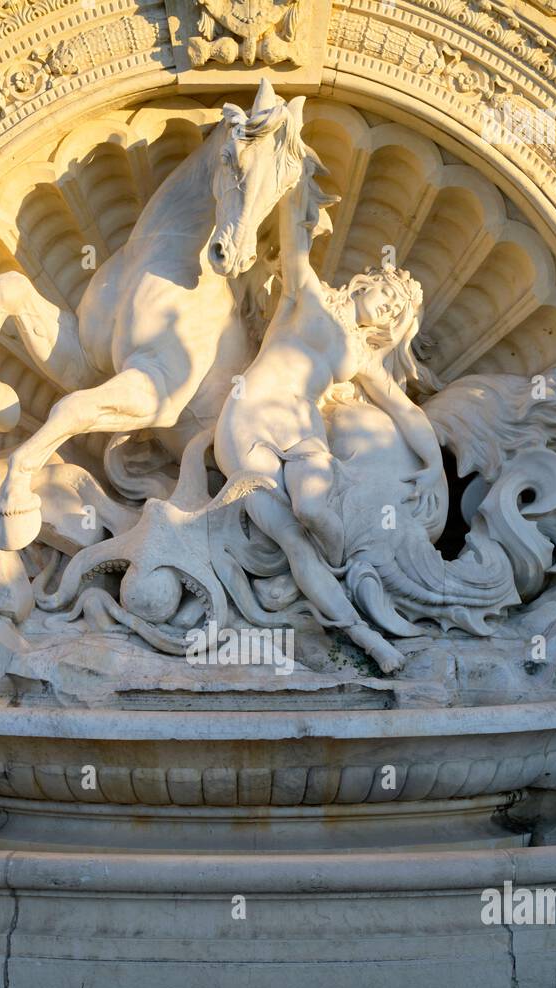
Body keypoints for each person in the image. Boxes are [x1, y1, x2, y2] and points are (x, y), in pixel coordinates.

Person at [213, 161, 443, 673]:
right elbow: (295, 232)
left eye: (395, 313)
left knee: (315, 512)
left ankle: (336, 580)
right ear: (365, 282)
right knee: (292, 535)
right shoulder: (305, 292)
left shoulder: (361, 359)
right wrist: (290, 161)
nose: (386, 310)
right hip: (250, 419)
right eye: (388, 295)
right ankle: (367, 638)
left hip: (302, 431)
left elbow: (405, 410)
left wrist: (433, 466)